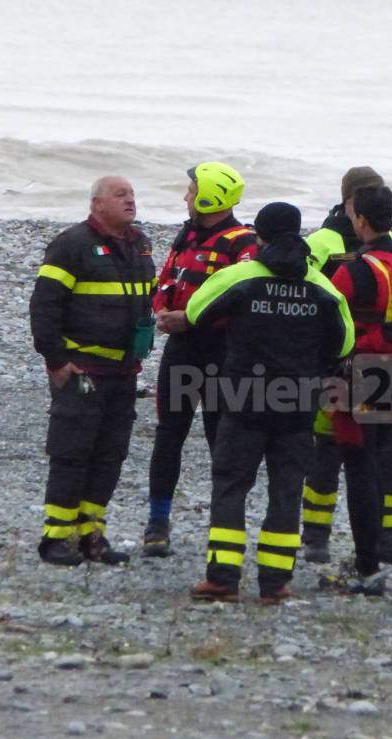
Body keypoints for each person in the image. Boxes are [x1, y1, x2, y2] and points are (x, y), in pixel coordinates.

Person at [181, 202, 354, 603]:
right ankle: (275, 584)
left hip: (244, 398)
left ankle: (223, 578)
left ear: (258, 235)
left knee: (230, 486)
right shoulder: (321, 285)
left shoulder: (242, 276)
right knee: (287, 490)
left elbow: (195, 310)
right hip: (296, 403)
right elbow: (344, 341)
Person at [29, 176, 156, 566]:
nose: (130, 201)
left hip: (123, 371)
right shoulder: (72, 244)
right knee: (72, 452)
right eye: (121, 195)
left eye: (133, 195)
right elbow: (45, 305)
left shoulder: (139, 244)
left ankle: (91, 533)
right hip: (83, 368)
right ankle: (57, 538)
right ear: (97, 203)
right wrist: (55, 359)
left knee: (110, 454)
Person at [142, 162, 257, 557]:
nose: (185, 196)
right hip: (183, 351)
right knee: (168, 435)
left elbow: (240, 297)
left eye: (191, 190)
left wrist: (189, 318)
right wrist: (162, 311)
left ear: (210, 196)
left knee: (220, 438)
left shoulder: (244, 244)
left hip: (222, 353)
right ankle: (157, 523)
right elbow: (168, 282)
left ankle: (223, 525)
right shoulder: (187, 235)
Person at [300, 167, 392, 567]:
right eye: (366, 195)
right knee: (328, 447)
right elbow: (307, 295)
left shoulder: (391, 242)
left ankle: (384, 535)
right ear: (349, 201)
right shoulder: (322, 241)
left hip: (385, 363)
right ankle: (315, 534)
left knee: (389, 452)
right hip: (338, 362)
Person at [328, 185, 392, 596]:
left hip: (361, 372)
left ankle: (366, 565)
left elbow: (329, 314)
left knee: (359, 468)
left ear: (361, 221)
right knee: (379, 467)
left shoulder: (354, 269)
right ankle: (373, 553)